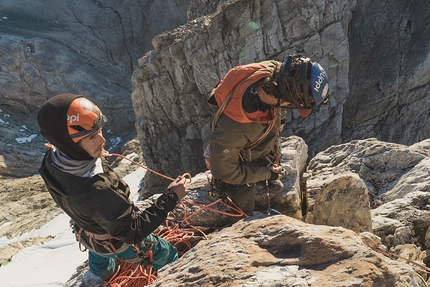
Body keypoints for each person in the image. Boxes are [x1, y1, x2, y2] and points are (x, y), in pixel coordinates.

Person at [37, 94, 187, 287]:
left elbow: (84, 191)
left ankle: (101, 274)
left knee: (100, 257)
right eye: (92, 137)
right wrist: (171, 197)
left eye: (99, 130)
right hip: (117, 239)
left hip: (90, 234)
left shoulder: (53, 160)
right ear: (70, 145)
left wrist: (93, 156)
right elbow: (133, 232)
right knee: (165, 252)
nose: (103, 140)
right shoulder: (98, 191)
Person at [207, 54, 329, 215]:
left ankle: (261, 170)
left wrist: (280, 121)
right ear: (286, 101)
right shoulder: (234, 127)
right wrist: (266, 173)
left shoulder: (278, 73)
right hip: (230, 159)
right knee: (245, 202)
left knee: (271, 149)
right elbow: (223, 170)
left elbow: (282, 96)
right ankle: (241, 215)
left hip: (255, 138)